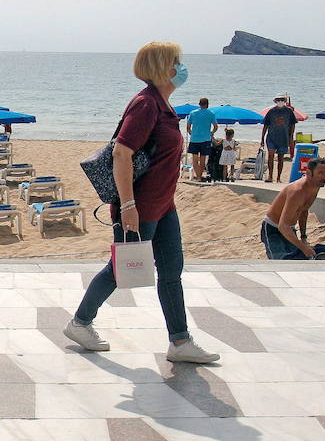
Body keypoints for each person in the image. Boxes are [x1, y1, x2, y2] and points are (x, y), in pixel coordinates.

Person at [63, 42, 218, 363]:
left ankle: (180, 342)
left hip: (163, 204)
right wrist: (129, 206)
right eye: (177, 62)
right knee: (120, 270)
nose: (181, 67)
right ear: (163, 67)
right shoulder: (146, 105)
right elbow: (122, 152)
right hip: (140, 206)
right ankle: (80, 323)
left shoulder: (163, 105)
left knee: (172, 271)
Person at [260, 158, 325, 258]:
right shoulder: (297, 192)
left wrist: (303, 237)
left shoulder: (316, 185)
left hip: (290, 229)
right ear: (308, 172)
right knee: (281, 261)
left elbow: (303, 211)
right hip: (273, 229)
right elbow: (282, 226)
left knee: (300, 257)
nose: (324, 177)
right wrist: (303, 247)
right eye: (320, 173)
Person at [260, 93, 296, 182]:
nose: (280, 102)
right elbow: (265, 125)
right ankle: (270, 176)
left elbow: (292, 125)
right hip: (271, 137)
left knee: (281, 158)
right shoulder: (271, 111)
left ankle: (278, 177)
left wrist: (291, 137)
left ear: (285, 101)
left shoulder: (289, 111)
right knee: (270, 156)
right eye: (278, 100)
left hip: (283, 138)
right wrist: (262, 138)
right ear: (275, 101)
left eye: (282, 100)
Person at [184, 98, 216, 181]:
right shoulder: (211, 113)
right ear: (207, 104)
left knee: (195, 160)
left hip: (194, 139)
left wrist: (191, 133)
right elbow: (215, 127)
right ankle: (199, 176)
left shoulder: (193, 113)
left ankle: (198, 177)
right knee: (203, 160)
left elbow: (188, 127)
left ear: (199, 104)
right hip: (206, 139)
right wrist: (211, 133)